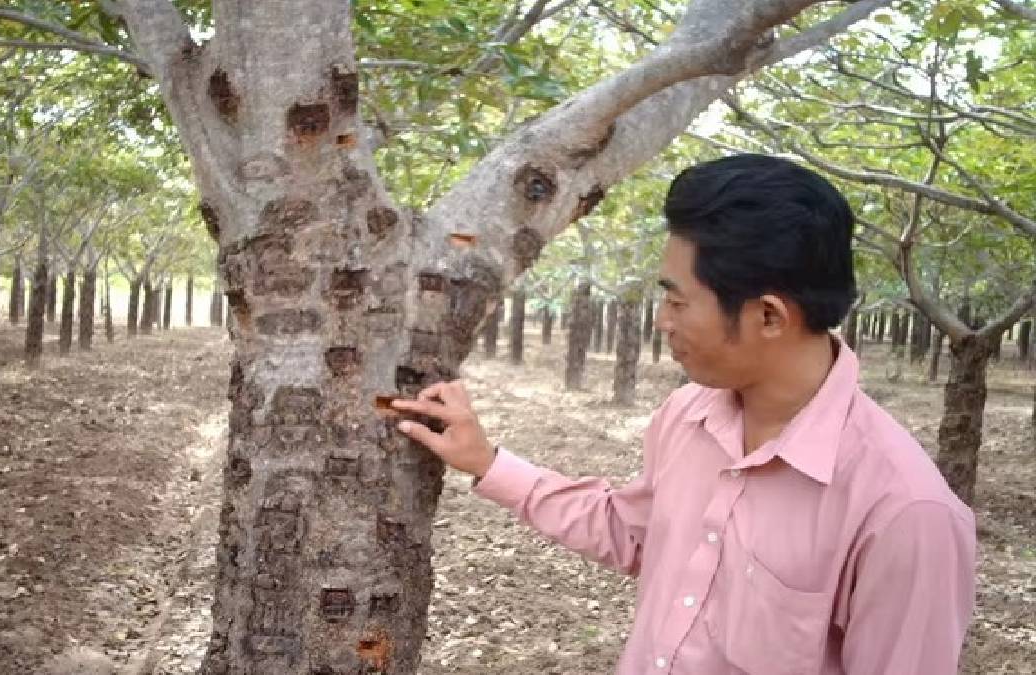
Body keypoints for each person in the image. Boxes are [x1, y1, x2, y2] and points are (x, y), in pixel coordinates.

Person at [392, 154, 976, 675]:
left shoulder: (905, 516)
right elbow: (635, 533)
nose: (661, 322)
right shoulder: (690, 414)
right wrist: (488, 462)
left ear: (769, 316)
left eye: (677, 301)